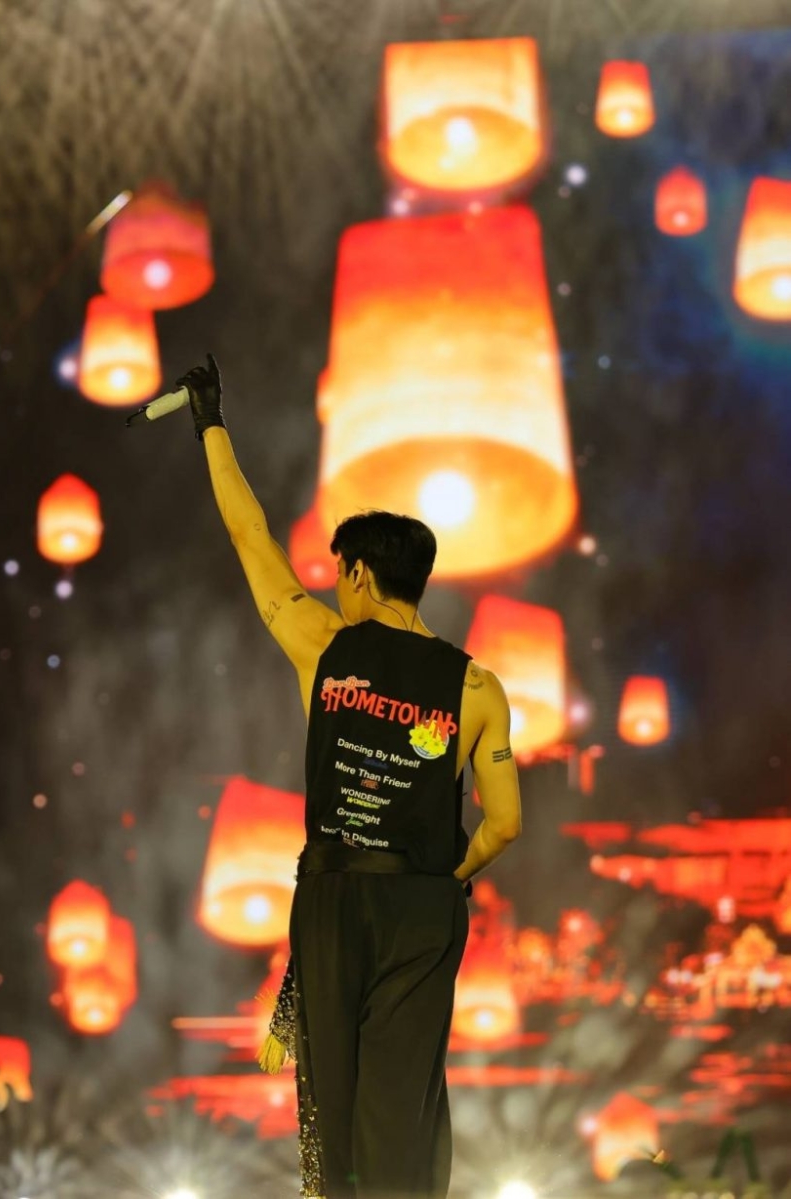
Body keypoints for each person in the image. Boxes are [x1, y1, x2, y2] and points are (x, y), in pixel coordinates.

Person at [176, 355, 522, 1199]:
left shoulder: (323, 645)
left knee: (332, 1114)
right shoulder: (478, 685)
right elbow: (506, 822)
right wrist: (447, 873)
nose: (334, 588)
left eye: (339, 574)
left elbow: (250, 537)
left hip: (334, 899)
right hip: (422, 906)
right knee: (400, 1110)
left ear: (361, 574)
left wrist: (211, 426)